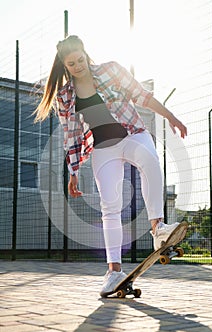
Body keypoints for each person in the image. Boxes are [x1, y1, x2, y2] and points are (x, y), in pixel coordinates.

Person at [35, 35, 187, 297]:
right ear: (64, 65)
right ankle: (113, 271)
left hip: (131, 135)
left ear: (85, 54)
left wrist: (170, 116)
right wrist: (72, 171)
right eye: (72, 63)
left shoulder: (110, 70)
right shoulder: (64, 96)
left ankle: (158, 228)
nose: (78, 65)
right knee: (109, 207)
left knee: (150, 161)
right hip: (103, 149)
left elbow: (142, 96)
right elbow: (71, 135)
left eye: (80, 59)